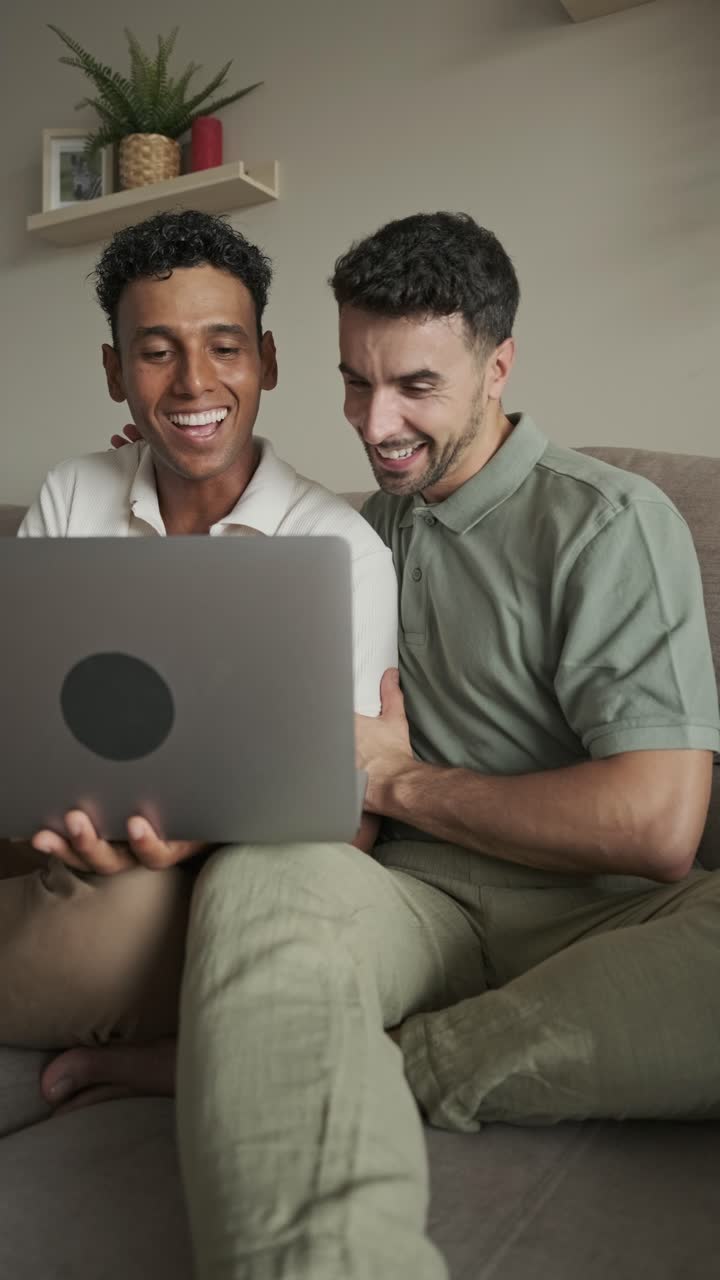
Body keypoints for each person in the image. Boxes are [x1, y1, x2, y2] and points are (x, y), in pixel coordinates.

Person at [169, 212, 720, 1280]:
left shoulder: (609, 521)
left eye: (415, 385)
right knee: (260, 881)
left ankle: (341, 1063)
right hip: (412, 906)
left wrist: (400, 776)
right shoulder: (355, 531)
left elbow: (658, 826)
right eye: (354, 381)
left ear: (498, 364)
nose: (376, 424)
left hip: (609, 911)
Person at [0, 209, 397, 1097]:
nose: (193, 382)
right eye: (155, 351)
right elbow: (23, 713)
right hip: (53, 833)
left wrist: (191, 841)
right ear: (114, 371)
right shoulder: (74, 492)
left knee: (128, 909)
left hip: (193, 884)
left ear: (268, 359)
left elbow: (349, 822)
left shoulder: (339, 552)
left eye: (224, 346)